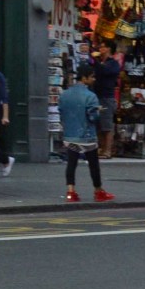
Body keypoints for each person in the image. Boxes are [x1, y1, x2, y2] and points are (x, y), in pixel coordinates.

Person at [59, 64, 114, 203]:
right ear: (85, 78)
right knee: (93, 164)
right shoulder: (91, 96)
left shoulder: (65, 94)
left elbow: (62, 112)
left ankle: (71, 192)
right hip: (86, 135)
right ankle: (98, 191)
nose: (94, 79)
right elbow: (92, 117)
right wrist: (98, 111)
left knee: (71, 163)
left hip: (70, 134)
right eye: (92, 77)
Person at [93, 40, 121, 158]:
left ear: (109, 49)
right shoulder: (100, 62)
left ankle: (108, 150)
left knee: (107, 125)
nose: (100, 48)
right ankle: (101, 148)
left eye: (103, 46)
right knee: (98, 124)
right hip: (96, 96)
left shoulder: (113, 63)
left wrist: (96, 62)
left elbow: (106, 71)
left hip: (107, 97)